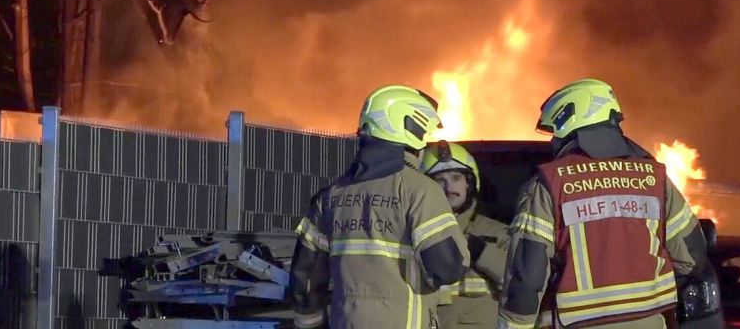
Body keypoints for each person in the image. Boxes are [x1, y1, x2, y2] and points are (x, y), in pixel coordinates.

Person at [499, 78, 708, 329]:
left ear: (569, 121)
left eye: (554, 132)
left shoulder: (551, 183)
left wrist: (514, 325)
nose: (553, 141)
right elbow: (692, 256)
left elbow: (528, 274)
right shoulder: (655, 178)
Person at [289, 85, 470, 329]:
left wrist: (312, 324)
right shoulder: (420, 191)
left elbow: (305, 278)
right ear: (409, 128)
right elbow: (449, 268)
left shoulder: (330, 197)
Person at [419, 141, 510, 329]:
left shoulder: (497, 232)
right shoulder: (414, 233)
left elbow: (521, 282)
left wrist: (482, 252)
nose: (449, 187)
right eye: (439, 179)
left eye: (456, 178)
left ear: (469, 183)